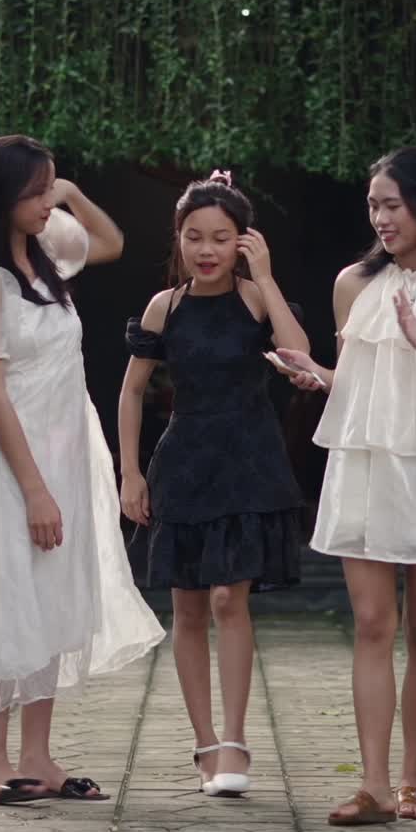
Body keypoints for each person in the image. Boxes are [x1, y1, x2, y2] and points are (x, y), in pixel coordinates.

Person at [276, 148, 416, 826]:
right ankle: (372, 784)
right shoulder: (353, 284)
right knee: (374, 623)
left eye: (392, 204)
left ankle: (413, 779)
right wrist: (318, 375)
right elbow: (356, 382)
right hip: (369, 464)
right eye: (373, 205)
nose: (380, 217)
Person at [0, 134, 165, 806]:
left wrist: (66, 192)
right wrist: (34, 487)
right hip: (13, 461)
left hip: (67, 447)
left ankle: (37, 757)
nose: (46, 204)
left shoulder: (48, 265)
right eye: (35, 192)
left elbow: (112, 241)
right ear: (2, 198)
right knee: (8, 593)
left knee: (53, 594)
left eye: (48, 190)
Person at [119, 172, 308, 797]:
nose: (206, 249)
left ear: (242, 242)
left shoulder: (256, 299)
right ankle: (205, 745)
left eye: (221, 238)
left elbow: (299, 354)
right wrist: (129, 472)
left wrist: (269, 277)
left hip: (249, 459)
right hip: (184, 463)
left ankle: (235, 740)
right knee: (189, 607)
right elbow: (133, 390)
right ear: (179, 240)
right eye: (194, 237)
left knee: (232, 599)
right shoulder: (163, 306)